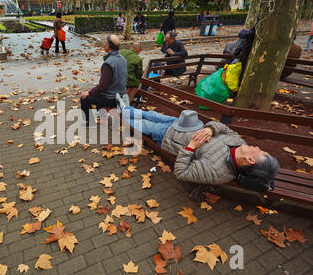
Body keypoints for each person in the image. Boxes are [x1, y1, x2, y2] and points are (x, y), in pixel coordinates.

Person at [116, 100, 280, 191]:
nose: (257, 147)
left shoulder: (218, 172)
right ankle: (125, 108)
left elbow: (181, 172)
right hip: (182, 124)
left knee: (144, 124)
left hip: (168, 136)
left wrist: (191, 147)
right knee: (152, 114)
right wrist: (211, 128)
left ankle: (119, 116)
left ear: (250, 160)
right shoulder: (240, 144)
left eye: (259, 151)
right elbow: (225, 129)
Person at [80, 34, 127, 126]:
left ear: (108, 46)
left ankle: (90, 122)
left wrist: (89, 92)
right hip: (121, 94)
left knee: (84, 97)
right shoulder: (123, 59)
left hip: (112, 98)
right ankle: (100, 114)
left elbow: (103, 86)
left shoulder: (108, 63)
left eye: (105, 43)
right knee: (96, 93)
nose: (103, 44)